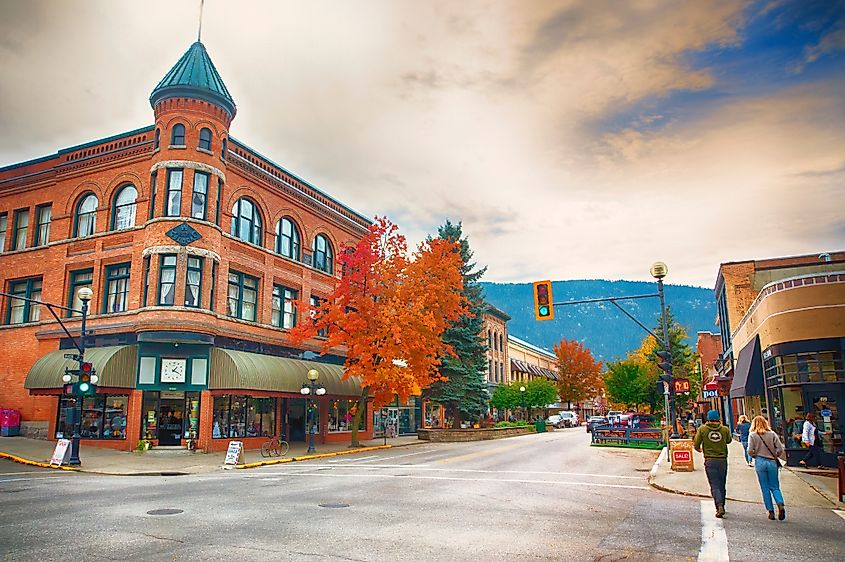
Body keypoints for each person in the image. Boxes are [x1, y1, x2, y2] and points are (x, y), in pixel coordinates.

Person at [694, 409, 732, 518]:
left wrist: (699, 449)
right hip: (722, 459)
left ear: (708, 418)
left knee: (714, 484)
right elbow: (729, 440)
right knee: (722, 483)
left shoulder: (702, 429)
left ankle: (719, 505)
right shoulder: (724, 429)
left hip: (710, 459)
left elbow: (696, 443)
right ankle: (722, 503)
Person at [747, 415, 786, 520]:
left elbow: (749, 451)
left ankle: (770, 511)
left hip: (760, 461)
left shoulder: (752, 435)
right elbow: (780, 449)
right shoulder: (772, 434)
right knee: (774, 486)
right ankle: (780, 503)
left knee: (765, 487)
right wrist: (775, 455)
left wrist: (755, 455)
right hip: (772, 462)